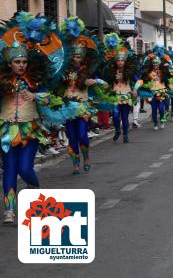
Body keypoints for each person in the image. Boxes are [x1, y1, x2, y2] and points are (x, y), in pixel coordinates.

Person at [0, 13, 80, 223]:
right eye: (17, 61)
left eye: (24, 61)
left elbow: (49, 100)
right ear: (9, 63)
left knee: (25, 169)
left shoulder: (36, 80)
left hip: (30, 129)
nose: (22, 65)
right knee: (9, 169)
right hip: (6, 130)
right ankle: (9, 211)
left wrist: (35, 95)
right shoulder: (2, 82)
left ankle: (34, 189)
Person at [58, 17, 111, 174]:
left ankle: (86, 157)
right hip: (67, 107)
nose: (76, 59)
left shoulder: (89, 70)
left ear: (83, 58)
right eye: (74, 57)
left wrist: (93, 81)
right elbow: (55, 85)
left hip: (83, 106)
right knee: (71, 136)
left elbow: (103, 83)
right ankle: (75, 162)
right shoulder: (61, 71)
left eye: (79, 57)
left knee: (81, 134)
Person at [102, 33, 138, 143]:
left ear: (125, 61)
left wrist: (135, 89)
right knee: (116, 117)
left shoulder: (130, 71)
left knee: (125, 117)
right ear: (116, 61)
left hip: (126, 96)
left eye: (122, 60)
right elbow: (106, 81)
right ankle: (117, 130)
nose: (120, 62)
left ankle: (126, 134)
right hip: (115, 96)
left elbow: (138, 80)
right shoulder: (111, 71)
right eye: (118, 60)